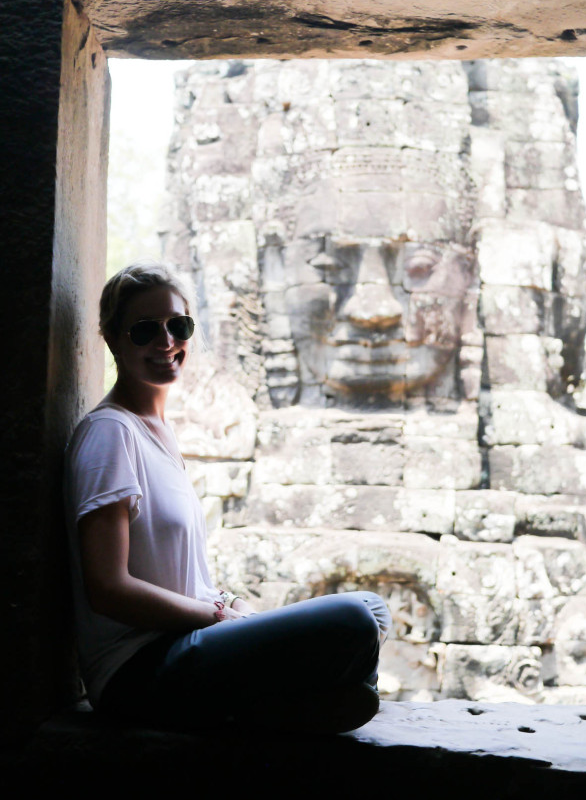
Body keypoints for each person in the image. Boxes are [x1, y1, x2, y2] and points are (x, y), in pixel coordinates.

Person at [64, 260, 390, 733]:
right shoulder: (110, 433)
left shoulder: (160, 434)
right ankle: (302, 706)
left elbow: (178, 575)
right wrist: (218, 617)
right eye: (144, 331)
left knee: (371, 607)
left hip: (189, 640)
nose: (166, 342)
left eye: (178, 326)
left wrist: (230, 604)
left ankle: (289, 708)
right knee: (352, 624)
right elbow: (108, 589)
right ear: (113, 339)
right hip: (139, 669)